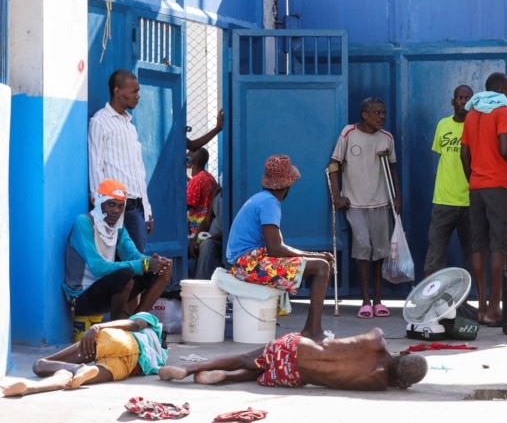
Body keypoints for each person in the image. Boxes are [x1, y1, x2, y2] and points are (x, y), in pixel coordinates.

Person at [226, 155, 335, 343]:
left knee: (320, 263)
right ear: (287, 185)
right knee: (322, 267)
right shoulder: (269, 203)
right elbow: (275, 248)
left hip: (246, 261)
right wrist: (314, 255)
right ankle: (313, 330)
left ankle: (312, 328)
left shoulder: (260, 198)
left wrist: (313, 255)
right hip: (248, 264)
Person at [158, 327, 428, 391]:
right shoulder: (378, 382)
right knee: (262, 372)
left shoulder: (377, 337)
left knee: (247, 357)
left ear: (404, 353)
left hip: (298, 348)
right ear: (402, 383)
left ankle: (189, 367)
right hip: (294, 376)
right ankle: (225, 378)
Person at [327, 97, 401, 319]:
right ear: (365, 115)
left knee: (379, 253)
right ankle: (365, 300)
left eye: (384, 113)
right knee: (362, 248)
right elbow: (334, 165)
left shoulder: (387, 138)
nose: (382, 117)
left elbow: (392, 169)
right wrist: (337, 195)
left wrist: (397, 197)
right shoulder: (349, 133)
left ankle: (378, 300)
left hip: (380, 202)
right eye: (377, 113)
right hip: (355, 203)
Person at [460, 72, 507, 327]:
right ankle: (494, 310)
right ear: (499, 89)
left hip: (477, 187)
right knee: (499, 247)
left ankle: (482, 306)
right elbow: (505, 148)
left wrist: (473, 178)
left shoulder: (472, 113)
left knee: (479, 247)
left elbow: (464, 155)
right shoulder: (502, 111)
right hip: (500, 186)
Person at [63, 179, 173, 320]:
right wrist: (144, 264)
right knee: (125, 276)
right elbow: (98, 267)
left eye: (121, 206)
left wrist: (153, 262)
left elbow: (133, 255)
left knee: (165, 268)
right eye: (111, 204)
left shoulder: (118, 226)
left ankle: (136, 321)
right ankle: (114, 330)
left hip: (107, 290)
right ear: (97, 202)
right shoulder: (84, 222)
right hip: (81, 296)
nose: (116, 211)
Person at [0, 313, 167, 397]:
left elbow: (134, 324)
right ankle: (30, 388)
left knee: (40, 364)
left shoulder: (151, 320)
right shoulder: (161, 357)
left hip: (117, 340)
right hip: (128, 366)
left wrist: (97, 327)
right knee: (74, 380)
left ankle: (75, 368)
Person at [88, 69, 153, 253]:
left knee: (137, 265)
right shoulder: (100, 123)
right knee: (123, 266)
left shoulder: (129, 126)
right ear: (117, 91)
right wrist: (102, 210)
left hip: (136, 209)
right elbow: (95, 167)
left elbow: (139, 171)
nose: (138, 96)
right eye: (134, 91)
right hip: (114, 210)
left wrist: (147, 211)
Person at [423, 85, 474, 278]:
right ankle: (428, 303)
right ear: (453, 101)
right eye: (459, 97)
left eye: (466, 98)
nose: (462, 101)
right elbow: (441, 157)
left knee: (472, 255)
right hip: (443, 200)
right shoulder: (443, 125)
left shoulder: (476, 126)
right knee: (435, 253)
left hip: (470, 201)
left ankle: (475, 304)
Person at [186, 147, 219, 237]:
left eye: (188, 157)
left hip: (196, 229)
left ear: (195, 159)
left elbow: (185, 205)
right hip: (209, 226)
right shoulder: (209, 177)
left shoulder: (196, 181)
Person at [193, 188, 224, 279]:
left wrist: (209, 239)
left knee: (207, 245)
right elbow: (207, 221)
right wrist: (195, 240)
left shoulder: (235, 195)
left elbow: (230, 230)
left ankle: (199, 284)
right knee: (187, 243)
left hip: (220, 241)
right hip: (209, 237)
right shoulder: (217, 191)